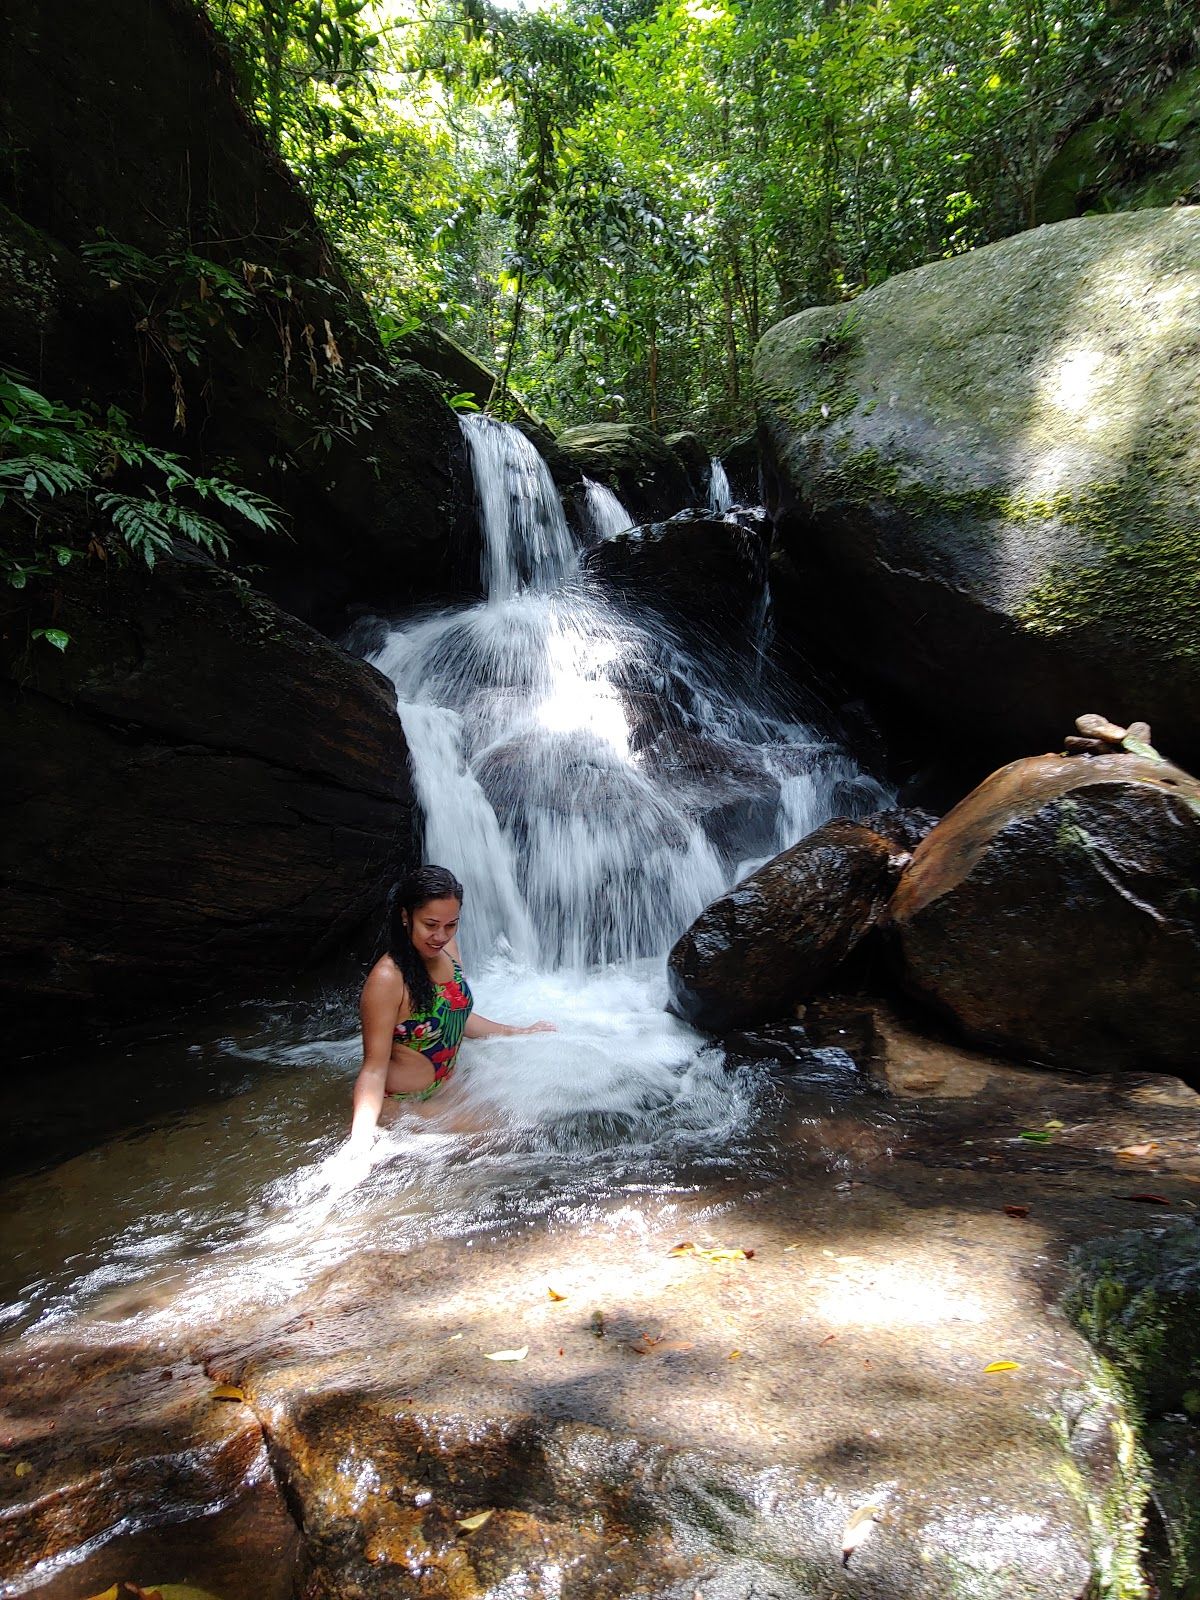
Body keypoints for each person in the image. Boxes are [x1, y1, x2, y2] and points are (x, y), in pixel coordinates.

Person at [349, 864, 553, 1148]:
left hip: (447, 1090)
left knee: (535, 1115)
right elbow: (373, 1070)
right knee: (513, 1137)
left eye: (451, 925)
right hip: (403, 1105)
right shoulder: (388, 979)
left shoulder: (447, 949)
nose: (441, 936)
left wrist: (515, 1031)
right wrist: (359, 1143)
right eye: (430, 925)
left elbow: (456, 1016)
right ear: (406, 917)